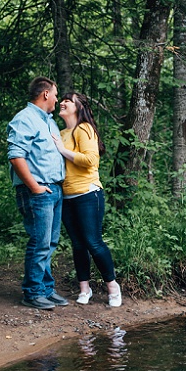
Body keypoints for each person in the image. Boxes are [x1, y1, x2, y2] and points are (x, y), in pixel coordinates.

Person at [52, 91, 122, 307]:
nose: (62, 102)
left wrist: (62, 150)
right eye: (61, 99)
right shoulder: (60, 132)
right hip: (66, 196)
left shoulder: (84, 129)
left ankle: (112, 286)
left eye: (67, 100)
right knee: (78, 244)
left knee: (93, 242)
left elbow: (91, 160)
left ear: (78, 107)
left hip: (88, 193)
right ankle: (85, 288)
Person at [7, 77, 69, 310]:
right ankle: (32, 292)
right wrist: (34, 186)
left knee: (50, 242)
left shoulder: (48, 122)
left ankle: (46, 289)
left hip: (53, 188)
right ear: (45, 94)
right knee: (40, 242)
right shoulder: (25, 118)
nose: (56, 98)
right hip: (37, 190)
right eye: (55, 94)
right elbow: (15, 156)